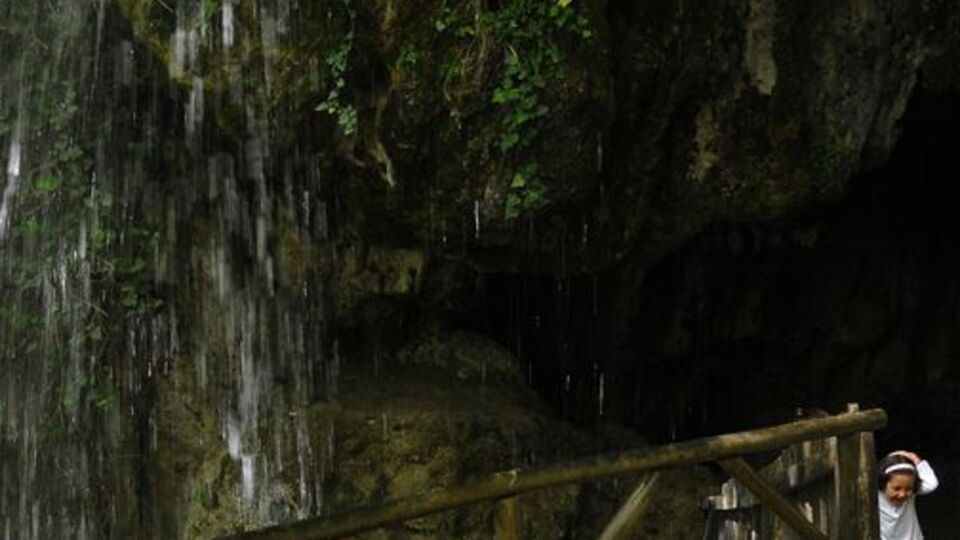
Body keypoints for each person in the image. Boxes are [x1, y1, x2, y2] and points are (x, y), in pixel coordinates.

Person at [876, 450, 938, 540]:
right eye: (896, 488)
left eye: (908, 489)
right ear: (882, 483)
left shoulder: (911, 494)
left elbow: (932, 484)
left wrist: (914, 458)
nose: (902, 494)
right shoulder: (875, 495)